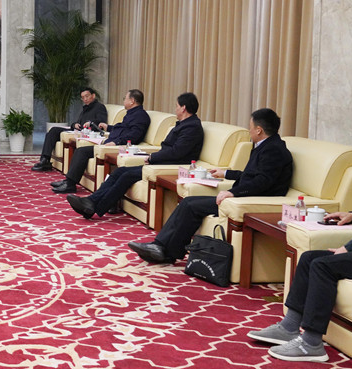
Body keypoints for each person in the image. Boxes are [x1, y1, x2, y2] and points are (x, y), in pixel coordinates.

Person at [249, 126, 352, 363]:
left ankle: (311, 343)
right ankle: (289, 327)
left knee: (323, 265)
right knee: (309, 258)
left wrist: (349, 247)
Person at [128, 107, 293, 264]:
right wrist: (225, 173)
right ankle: (162, 247)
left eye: (250, 127)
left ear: (259, 130)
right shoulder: (266, 146)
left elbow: (262, 182)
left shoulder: (274, 150)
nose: (249, 131)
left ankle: (164, 250)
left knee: (191, 205)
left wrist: (233, 193)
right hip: (244, 195)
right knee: (188, 202)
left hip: (251, 200)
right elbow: (251, 175)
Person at [67, 92, 203, 219]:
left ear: (183, 108)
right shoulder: (184, 124)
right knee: (119, 171)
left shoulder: (192, 127)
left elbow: (177, 152)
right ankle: (91, 202)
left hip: (171, 165)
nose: (175, 109)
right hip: (162, 161)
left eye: (177, 106)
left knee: (126, 175)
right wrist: (153, 156)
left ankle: (94, 206)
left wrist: (153, 157)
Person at [51, 89, 151, 194]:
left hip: (118, 146)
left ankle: (70, 184)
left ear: (132, 101)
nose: (123, 101)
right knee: (80, 150)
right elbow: (122, 128)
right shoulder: (131, 114)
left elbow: (134, 136)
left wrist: (115, 143)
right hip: (110, 142)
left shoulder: (140, 116)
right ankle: (68, 181)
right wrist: (108, 127)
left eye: (125, 98)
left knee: (82, 152)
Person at [32, 88, 108, 172]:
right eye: (83, 97)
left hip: (89, 133)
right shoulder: (86, 108)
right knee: (53, 131)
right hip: (78, 131)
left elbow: (101, 122)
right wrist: (74, 125)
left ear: (93, 96)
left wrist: (90, 123)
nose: (85, 99)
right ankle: (45, 159)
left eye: (87, 96)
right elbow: (78, 122)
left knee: (54, 131)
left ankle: (45, 161)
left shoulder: (100, 107)